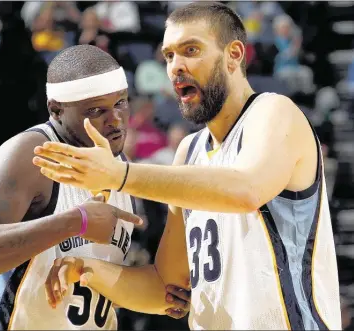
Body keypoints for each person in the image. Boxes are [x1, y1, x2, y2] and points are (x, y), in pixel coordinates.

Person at [34, 3, 342, 330]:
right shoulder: (189, 151)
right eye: (168, 56)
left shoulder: (274, 113)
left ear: (234, 55)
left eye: (190, 50)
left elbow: (246, 191)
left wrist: (119, 175)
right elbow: (164, 288)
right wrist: (85, 269)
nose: (176, 66)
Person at [0, 44, 189, 330]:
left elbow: (91, 295)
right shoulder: (33, 154)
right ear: (56, 110)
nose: (115, 120)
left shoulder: (120, 166)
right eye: (96, 110)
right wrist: (76, 222)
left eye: (120, 102)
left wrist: (166, 296)